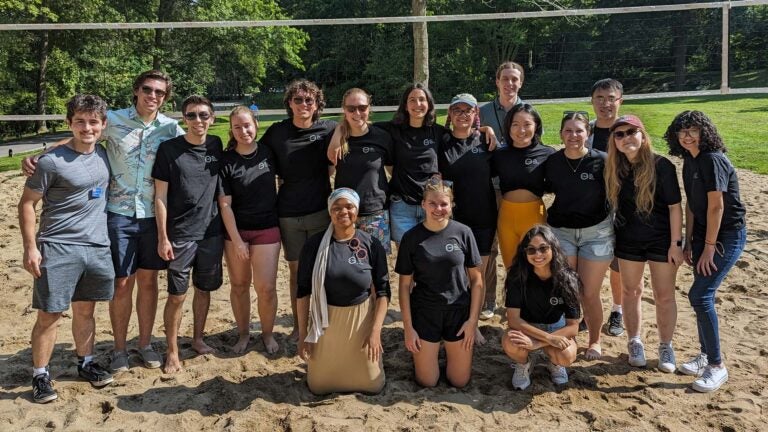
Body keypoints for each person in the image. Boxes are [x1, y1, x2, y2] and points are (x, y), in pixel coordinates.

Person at [22, 70, 184, 373]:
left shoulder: (171, 128)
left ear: (165, 97)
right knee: (122, 283)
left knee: (149, 282)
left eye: (160, 92)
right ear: (136, 91)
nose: (153, 96)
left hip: (152, 215)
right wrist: (39, 156)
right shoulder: (114, 120)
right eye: (147, 89)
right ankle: (120, 349)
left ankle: (145, 344)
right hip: (117, 213)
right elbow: (81, 135)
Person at [20, 94, 115, 403]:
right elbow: (27, 204)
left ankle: (86, 362)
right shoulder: (50, 161)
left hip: (97, 246)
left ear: (102, 124)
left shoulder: (103, 153)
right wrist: (31, 248)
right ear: (69, 124)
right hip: (58, 246)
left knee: (85, 311)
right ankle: (41, 374)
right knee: (50, 314)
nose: (87, 127)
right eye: (79, 122)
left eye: (93, 122)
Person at [664, 110, 747, 392]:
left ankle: (716, 366)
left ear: (704, 132)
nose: (687, 135)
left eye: (693, 130)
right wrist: (689, 240)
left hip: (727, 235)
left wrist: (710, 248)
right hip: (703, 234)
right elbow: (691, 203)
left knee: (701, 294)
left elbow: (717, 207)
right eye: (682, 130)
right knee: (700, 294)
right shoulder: (690, 160)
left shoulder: (713, 160)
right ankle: (704, 356)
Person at [605, 115, 684, 372]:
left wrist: (676, 243)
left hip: (662, 240)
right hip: (629, 240)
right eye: (620, 134)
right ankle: (634, 341)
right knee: (631, 292)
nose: (626, 138)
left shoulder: (662, 166)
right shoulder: (615, 167)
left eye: (631, 132)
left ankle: (665, 346)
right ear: (614, 141)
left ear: (642, 134)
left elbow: (675, 207)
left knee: (664, 296)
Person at [153, 95, 224, 373]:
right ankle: (172, 351)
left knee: (204, 290)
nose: (198, 121)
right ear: (184, 119)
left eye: (203, 115)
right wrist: (163, 236)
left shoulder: (217, 145)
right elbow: (160, 196)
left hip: (211, 233)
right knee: (177, 295)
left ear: (212, 118)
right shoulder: (169, 149)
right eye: (192, 115)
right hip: (179, 234)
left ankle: (197, 339)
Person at [261, 79, 337, 337]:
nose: (304, 104)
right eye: (298, 100)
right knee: (296, 271)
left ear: (317, 104)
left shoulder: (329, 129)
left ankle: (321, 321)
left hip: (320, 211)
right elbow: (253, 157)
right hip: (288, 213)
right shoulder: (277, 132)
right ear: (289, 104)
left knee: (320, 270)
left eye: (309, 100)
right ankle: (298, 324)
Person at [296, 188, 390, 395]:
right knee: (318, 386)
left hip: (361, 322)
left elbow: (383, 292)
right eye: (337, 208)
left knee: (373, 385)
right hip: (325, 323)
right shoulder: (314, 246)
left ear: (357, 211)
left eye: (349, 207)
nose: (343, 212)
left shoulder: (372, 244)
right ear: (330, 212)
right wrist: (303, 334)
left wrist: (375, 332)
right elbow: (303, 293)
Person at [396, 175, 483, 388]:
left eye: (443, 204)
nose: (438, 208)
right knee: (428, 381)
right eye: (432, 203)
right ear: (423, 204)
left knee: (459, 381)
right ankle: (428, 357)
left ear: (451, 205)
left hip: (458, 312)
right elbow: (404, 285)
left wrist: (473, 322)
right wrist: (409, 328)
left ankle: (448, 355)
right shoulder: (411, 237)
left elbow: (477, 280)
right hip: (425, 311)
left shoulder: (463, 232)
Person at [543, 111, 613, 360]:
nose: (573, 135)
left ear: (588, 133)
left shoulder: (603, 160)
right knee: (567, 289)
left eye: (579, 130)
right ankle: (568, 335)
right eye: (568, 131)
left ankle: (595, 341)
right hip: (562, 231)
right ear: (561, 134)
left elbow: (617, 195)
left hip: (597, 232)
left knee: (589, 292)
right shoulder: (552, 162)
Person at [218, 106, 281, 354]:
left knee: (266, 288)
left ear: (255, 124)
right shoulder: (226, 160)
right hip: (237, 233)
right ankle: (243, 334)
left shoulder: (268, 153)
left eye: (247, 125)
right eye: (237, 127)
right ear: (231, 130)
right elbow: (225, 205)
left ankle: (267, 334)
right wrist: (237, 241)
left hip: (267, 229)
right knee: (239, 285)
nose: (243, 131)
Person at [439, 93, 497, 325]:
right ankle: (456, 317)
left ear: (476, 114)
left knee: (477, 275)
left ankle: (473, 323)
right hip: (453, 220)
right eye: (457, 110)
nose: (463, 115)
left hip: (483, 217)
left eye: (468, 110)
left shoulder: (485, 142)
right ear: (450, 114)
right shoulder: (441, 141)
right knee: (454, 272)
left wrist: (487, 130)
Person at [501, 225, 581, 390]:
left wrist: (539, 343)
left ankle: (554, 363)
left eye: (543, 248)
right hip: (527, 328)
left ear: (553, 248)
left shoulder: (567, 277)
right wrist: (547, 339)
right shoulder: (517, 275)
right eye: (531, 250)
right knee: (511, 343)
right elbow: (514, 320)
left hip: (556, 329)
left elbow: (573, 327)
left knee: (566, 356)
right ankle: (523, 364)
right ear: (525, 253)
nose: (537, 255)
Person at [478, 61, 526, 319]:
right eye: (505, 79)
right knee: (489, 245)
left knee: (518, 246)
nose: (509, 84)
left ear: (521, 82)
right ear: (496, 82)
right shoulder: (482, 111)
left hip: (517, 188)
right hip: (488, 186)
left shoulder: (528, 111)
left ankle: (518, 298)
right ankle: (487, 300)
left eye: (514, 79)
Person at [491, 104, 555, 270]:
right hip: (506, 216)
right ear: (508, 127)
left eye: (527, 124)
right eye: (515, 124)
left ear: (536, 126)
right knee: (511, 268)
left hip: (534, 215)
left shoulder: (547, 153)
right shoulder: (499, 154)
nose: (521, 130)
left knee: (538, 267)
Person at [332, 88, 394, 253]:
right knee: (347, 266)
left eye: (362, 107)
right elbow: (327, 170)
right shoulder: (336, 138)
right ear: (344, 110)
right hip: (344, 213)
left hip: (375, 213)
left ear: (369, 108)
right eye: (351, 109)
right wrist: (338, 131)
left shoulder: (382, 136)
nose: (357, 112)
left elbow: (392, 170)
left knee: (377, 267)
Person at [588, 78, 626, 338]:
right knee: (588, 264)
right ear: (592, 102)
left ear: (620, 101)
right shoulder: (585, 131)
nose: (605, 104)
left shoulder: (626, 131)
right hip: (591, 207)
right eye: (600, 98)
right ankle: (586, 310)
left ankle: (617, 310)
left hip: (622, 208)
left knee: (618, 266)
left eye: (611, 98)